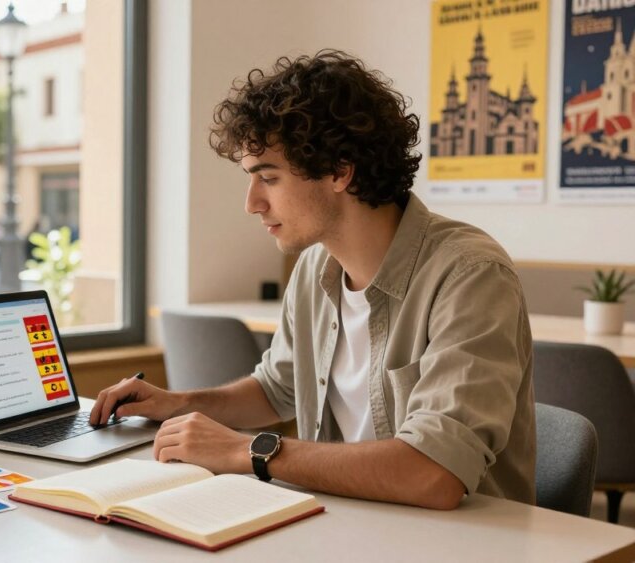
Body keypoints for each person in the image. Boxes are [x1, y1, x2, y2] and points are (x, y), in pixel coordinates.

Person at [90, 51, 535, 510]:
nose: (252, 203)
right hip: (343, 520)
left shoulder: (470, 275)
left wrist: (248, 450)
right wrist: (178, 403)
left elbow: (434, 474)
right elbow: (276, 390)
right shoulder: (313, 268)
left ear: (340, 171)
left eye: (269, 178)